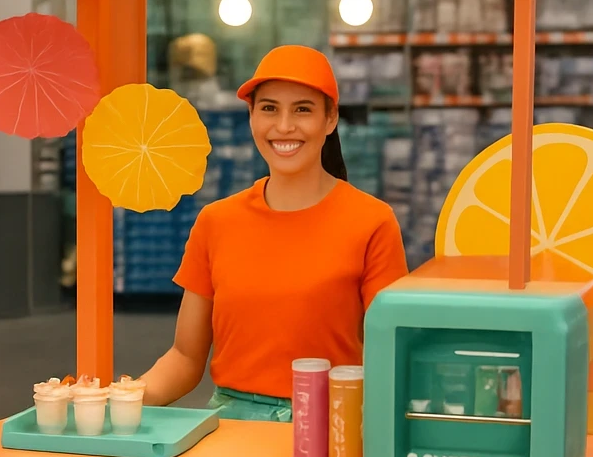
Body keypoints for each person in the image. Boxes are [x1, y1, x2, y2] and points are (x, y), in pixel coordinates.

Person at [142, 44, 407, 421]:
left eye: (303, 109)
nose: (284, 126)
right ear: (251, 117)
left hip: (331, 428)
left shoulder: (372, 221)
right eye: (269, 109)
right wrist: (122, 400)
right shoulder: (215, 222)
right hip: (231, 431)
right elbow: (184, 357)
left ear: (330, 119)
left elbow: (392, 354)